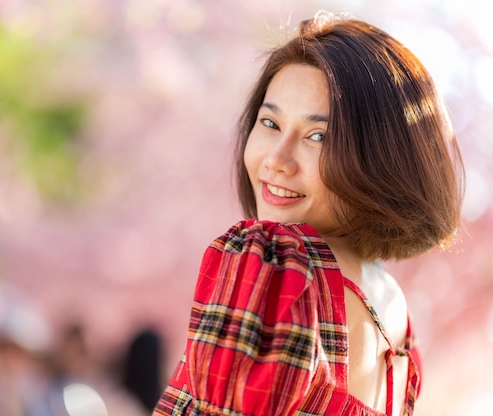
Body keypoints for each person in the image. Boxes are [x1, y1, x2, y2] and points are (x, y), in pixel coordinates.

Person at [154, 11, 463, 416]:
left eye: (318, 136)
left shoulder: (276, 267)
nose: (277, 160)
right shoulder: (392, 305)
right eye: (270, 123)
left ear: (380, 160)